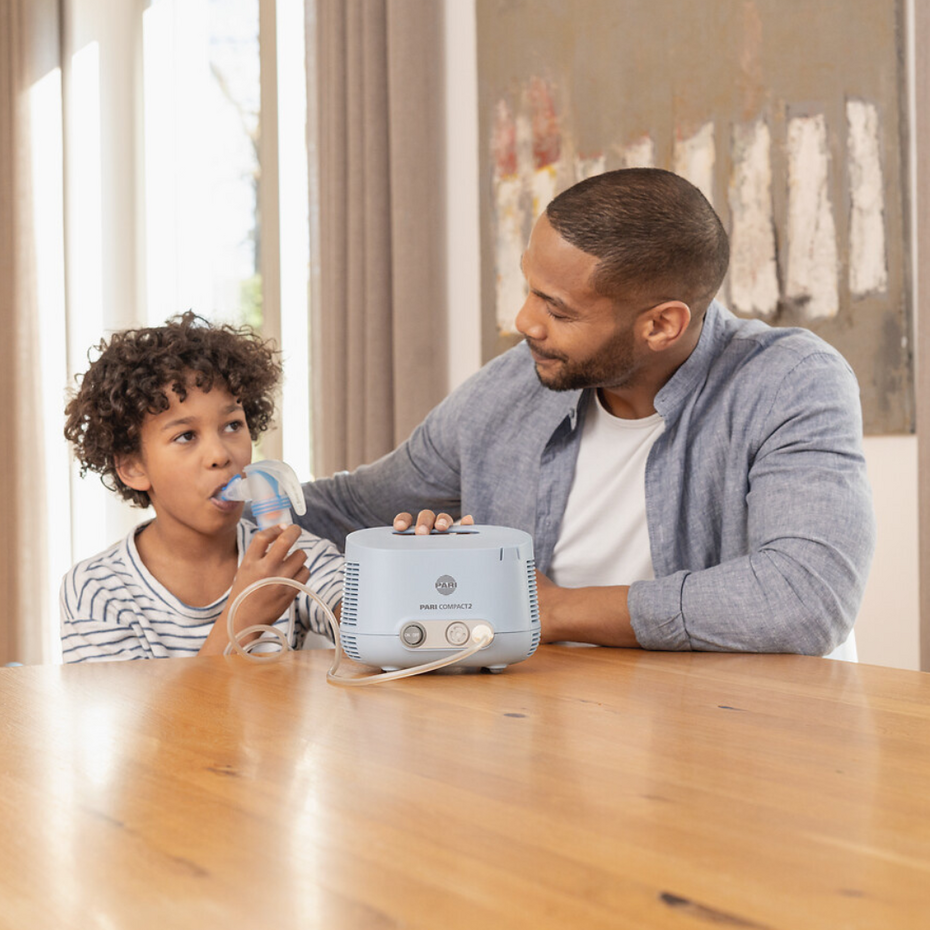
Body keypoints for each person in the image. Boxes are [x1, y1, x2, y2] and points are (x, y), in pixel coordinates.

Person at [295, 168, 876, 656]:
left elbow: (805, 597)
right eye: (529, 287)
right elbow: (350, 509)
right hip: (553, 734)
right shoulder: (510, 388)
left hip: (749, 743)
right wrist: (227, 489)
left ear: (660, 324)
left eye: (558, 308)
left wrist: (551, 610)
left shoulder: (789, 382)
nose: (525, 322)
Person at [60, 313, 343, 662]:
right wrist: (242, 619)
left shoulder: (291, 560)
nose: (220, 455)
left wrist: (414, 563)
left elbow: (381, 633)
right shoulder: (98, 590)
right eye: (185, 436)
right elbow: (143, 719)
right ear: (133, 468)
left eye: (232, 426)